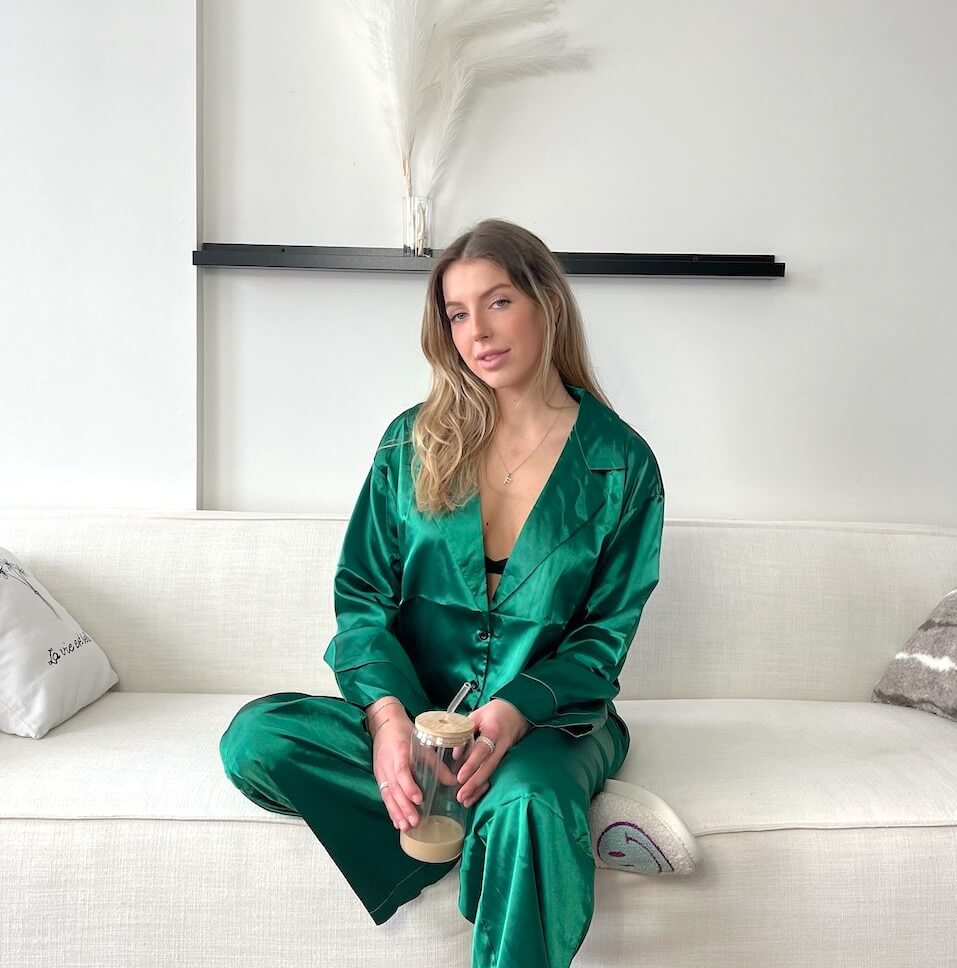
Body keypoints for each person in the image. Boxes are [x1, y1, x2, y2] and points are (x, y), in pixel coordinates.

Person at [219, 218, 666, 968]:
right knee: (257, 740)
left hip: (549, 726)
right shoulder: (410, 444)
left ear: (547, 303)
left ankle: (509, 824)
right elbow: (362, 597)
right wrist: (389, 720)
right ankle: (490, 835)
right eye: (457, 314)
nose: (477, 333)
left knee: (528, 800)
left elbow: (604, 634)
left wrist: (516, 710)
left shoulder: (623, 463)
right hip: (423, 720)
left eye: (498, 302)